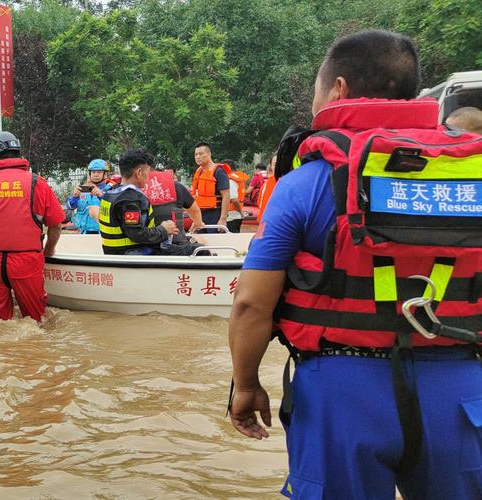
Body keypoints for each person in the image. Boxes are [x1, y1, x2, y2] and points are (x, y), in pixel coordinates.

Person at [228, 30, 482, 499]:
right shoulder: (472, 176)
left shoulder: (305, 183)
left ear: (338, 90)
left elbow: (250, 305)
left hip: (342, 391)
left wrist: (245, 386)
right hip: (461, 387)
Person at [0, 131, 64, 323]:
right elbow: (56, 225)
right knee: (36, 320)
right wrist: (49, 250)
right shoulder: (38, 183)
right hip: (27, 260)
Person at [99, 149, 204, 256]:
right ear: (139, 173)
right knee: (200, 250)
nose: (148, 178)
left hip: (118, 253)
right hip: (136, 254)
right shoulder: (130, 199)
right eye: (147, 174)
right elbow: (137, 235)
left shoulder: (111, 192)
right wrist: (164, 229)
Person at [142, 163, 204, 237]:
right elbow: (195, 210)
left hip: (144, 242)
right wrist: (197, 223)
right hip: (175, 242)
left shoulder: (132, 191)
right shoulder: (176, 186)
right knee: (202, 242)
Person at [66, 159, 114, 234]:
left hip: (104, 233)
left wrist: (102, 196)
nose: (95, 175)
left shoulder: (112, 190)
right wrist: (75, 197)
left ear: (105, 174)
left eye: (99, 172)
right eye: (93, 172)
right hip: (84, 232)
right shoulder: (81, 189)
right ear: (89, 174)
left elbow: (115, 208)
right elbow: (70, 207)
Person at [190, 143, 230, 230]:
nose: (198, 157)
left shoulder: (219, 171)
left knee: (214, 242)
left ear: (209, 154)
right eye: (196, 154)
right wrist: (195, 219)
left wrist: (223, 219)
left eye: (201, 154)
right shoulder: (199, 172)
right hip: (200, 215)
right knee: (200, 242)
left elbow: (226, 195)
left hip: (215, 214)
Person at [224, 161, 248, 233]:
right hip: (237, 214)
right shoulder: (238, 179)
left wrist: (240, 212)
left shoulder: (230, 180)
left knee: (230, 238)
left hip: (231, 215)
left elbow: (234, 200)